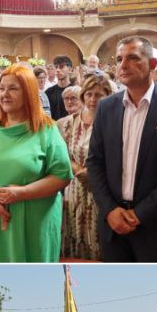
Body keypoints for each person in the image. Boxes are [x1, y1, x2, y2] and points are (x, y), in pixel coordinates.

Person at [86, 36, 157, 262]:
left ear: (152, 65)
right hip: (113, 224)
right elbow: (95, 162)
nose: (123, 65)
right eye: (119, 59)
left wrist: (139, 214)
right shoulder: (107, 107)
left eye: (132, 58)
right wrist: (110, 210)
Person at [0, 64, 72, 262]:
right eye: (1, 88)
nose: (5, 94)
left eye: (13, 88)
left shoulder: (46, 129)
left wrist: (22, 192)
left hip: (35, 218)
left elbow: (62, 175)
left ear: (29, 92)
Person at [59, 75, 112, 261]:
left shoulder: (113, 122)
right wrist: (79, 170)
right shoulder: (68, 122)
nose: (92, 99)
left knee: (98, 238)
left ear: (108, 95)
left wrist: (94, 174)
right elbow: (62, 153)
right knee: (74, 237)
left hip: (101, 189)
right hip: (74, 187)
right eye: (89, 94)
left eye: (99, 94)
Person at [45, 56, 75, 120]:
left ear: (70, 69)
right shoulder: (48, 92)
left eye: (61, 67)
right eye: (56, 67)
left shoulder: (76, 91)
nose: (58, 70)